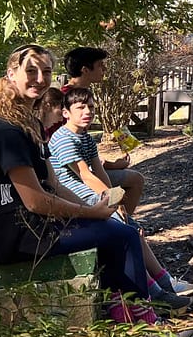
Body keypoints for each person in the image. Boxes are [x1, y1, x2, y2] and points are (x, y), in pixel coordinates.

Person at [0, 44, 161, 325]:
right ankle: (145, 323)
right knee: (121, 236)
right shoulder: (6, 130)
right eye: (31, 71)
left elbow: (54, 183)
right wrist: (90, 214)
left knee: (117, 231)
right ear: (11, 74)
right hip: (12, 234)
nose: (39, 78)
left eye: (46, 71)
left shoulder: (29, 123)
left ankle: (129, 316)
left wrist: (93, 205)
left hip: (34, 225)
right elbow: (35, 200)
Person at [42, 87, 193, 300]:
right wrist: (114, 201)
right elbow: (85, 177)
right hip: (79, 200)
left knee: (132, 229)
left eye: (90, 107)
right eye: (80, 107)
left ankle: (165, 283)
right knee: (128, 233)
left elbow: (99, 172)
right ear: (66, 113)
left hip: (94, 197)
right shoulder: (64, 138)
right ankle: (156, 291)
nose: (87, 112)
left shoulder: (86, 138)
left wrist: (117, 198)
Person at [62, 46, 145, 215]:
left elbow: (84, 149)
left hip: (85, 169)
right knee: (135, 180)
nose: (104, 69)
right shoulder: (64, 99)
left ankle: (123, 222)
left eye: (90, 108)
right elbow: (76, 164)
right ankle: (120, 222)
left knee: (135, 179)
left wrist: (109, 164)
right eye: (100, 65)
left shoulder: (80, 95)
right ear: (85, 70)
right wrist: (113, 196)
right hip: (69, 177)